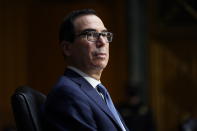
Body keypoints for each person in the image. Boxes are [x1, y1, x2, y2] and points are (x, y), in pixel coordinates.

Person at [42, 9, 129, 131]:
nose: (102, 42)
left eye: (104, 34)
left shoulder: (98, 92)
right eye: (92, 35)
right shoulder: (68, 94)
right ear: (67, 48)